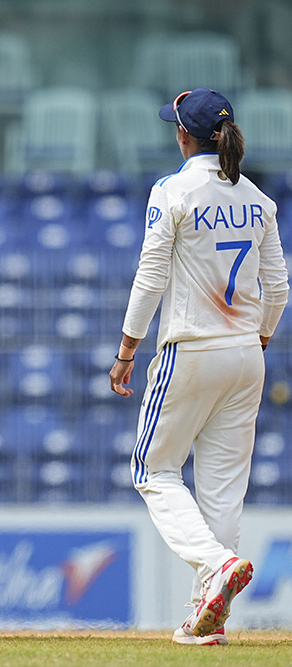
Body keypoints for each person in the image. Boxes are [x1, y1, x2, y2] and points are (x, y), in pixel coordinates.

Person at [109, 88, 288, 646]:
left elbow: (151, 275)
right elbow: (278, 288)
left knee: (153, 471)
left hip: (190, 348)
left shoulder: (172, 190)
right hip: (246, 354)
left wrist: (126, 350)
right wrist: (259, 339)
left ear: (183, 134)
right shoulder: (259, 198)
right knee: (222, 491)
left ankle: (214, 566)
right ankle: (206, 617)